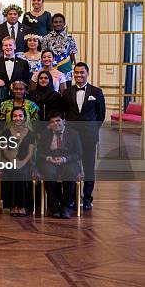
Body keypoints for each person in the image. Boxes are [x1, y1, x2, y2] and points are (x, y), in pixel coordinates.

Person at [62, 62, 105, 210]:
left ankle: (87, 198)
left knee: (88, 167)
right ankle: (73, 198)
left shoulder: (97, 92)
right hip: (71, 137)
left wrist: (91, 129)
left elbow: (101, 115)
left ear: (87, 74)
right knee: (72, 166)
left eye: (82, 73)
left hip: (89, 136)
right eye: (77, 73)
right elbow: (64, 113)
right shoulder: (67, 92)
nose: (79, 75)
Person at [37, 111, 83, 219]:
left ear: (64, 121)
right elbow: (39, 152)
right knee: (48, 172)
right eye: (52, 122)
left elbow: (78, 153)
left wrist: (64, 159)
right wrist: (48, 158)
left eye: (58, 120)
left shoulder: (73, 133)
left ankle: (65, 206)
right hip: (50, 160)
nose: (55, 124)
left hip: (68, 160)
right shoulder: (45, 134)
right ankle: (53, 207)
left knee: (70, 172)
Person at [0, 107, 35, 217]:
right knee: (12, 171)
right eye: (15, 116)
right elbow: (4, 151)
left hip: (25, 162)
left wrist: (22, 162)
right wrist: (13, 161)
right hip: (9, 160)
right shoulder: (5, 133)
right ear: (11, 118)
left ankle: (23, 206)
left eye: (20, 116)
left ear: (24, 118)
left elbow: (30, 153)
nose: (18, 118)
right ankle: (13, 206)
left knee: (22, 173)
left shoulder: (30, 133)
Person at [41, 13, 78, 86]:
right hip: (50, 71)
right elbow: (43, 55)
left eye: (60, 22)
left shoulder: (69, 38)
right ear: (52, 24)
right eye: (55, 22)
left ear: (64, 23)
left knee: (66, 93)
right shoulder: (46, 38)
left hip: (66, 70)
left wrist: (73, 68)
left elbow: (72, 55)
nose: (58, 24)